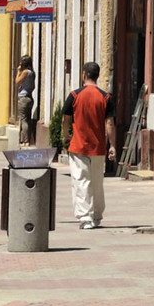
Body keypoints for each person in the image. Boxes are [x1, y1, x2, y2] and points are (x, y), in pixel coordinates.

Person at [66, 59, 114, 230]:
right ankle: (97, 215)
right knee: (97, 182)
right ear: (97, 76)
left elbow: (66, 118)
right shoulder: (105, 97)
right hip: (98, 147)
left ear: (84, 74)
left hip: (78, 145)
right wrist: (112, 145)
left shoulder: (74, 95)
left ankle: (85, 217)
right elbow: (109, 123)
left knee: (81, 180)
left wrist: (66, 135)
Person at [15, 56, 38, 145]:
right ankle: (26, 140)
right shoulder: (32, 73)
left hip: (23, 98)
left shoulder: (25, 72)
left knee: (23, 120)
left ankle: (26, 141)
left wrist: (18, 71)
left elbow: (17, 82)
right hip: (29, 98)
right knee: (28, 119)